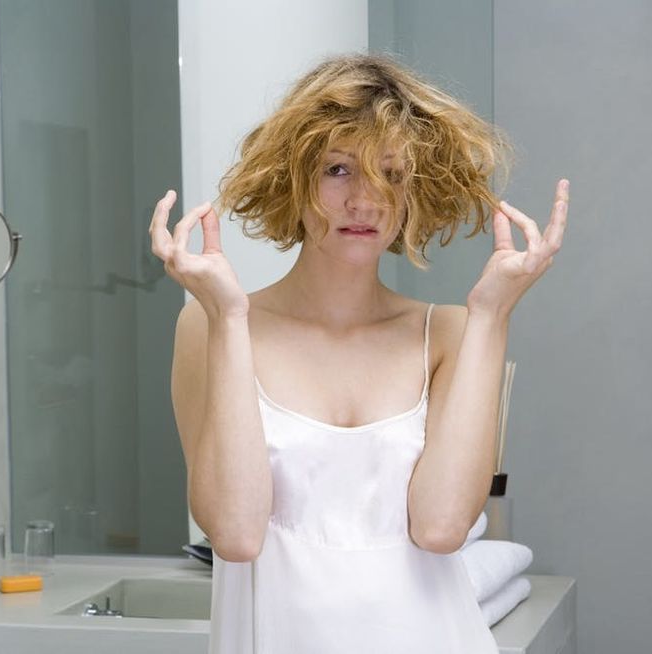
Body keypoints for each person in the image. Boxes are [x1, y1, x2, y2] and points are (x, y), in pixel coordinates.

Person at [149, 53, 568, 653]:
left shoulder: (450, 333)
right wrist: (229, 315)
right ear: (292, 179)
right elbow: (237, 534)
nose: (366, 200)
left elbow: (442, 527)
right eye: (339, 169)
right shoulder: (214, 323)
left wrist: (493, 314)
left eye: (392, 175)